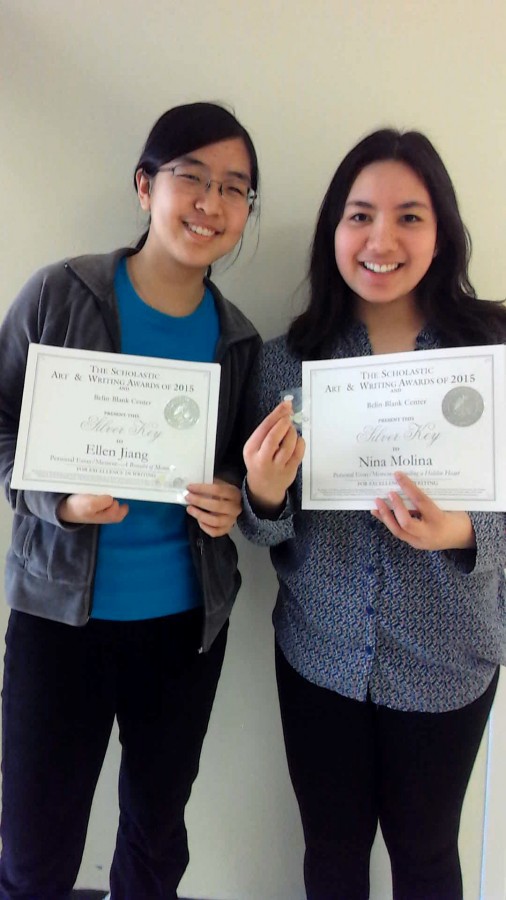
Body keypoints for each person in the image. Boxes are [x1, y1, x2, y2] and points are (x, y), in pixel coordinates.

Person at [0, 101, 261, 900]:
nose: (211, 204)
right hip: (59, 621)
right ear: (146, 187)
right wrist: (58, 502)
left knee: (155, 836)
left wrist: (235, 504)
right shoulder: (61, 292)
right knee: (34, 843)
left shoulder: (239, 339)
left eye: (236, 188)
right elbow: (3, 425)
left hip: (184, 631)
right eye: (192, 178)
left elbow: (250, 485)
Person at [240, 128, 506, 900]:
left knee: (425, 856)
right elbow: (264, 527)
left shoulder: (490, 351)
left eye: (409, 216)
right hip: (319, 656)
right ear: (334, 231)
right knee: (330, 851)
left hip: (446, 663)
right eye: (359, 216)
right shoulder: (289, 359)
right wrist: (262, 491)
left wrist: (460, 532)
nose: (380, 239)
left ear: (442, 230)